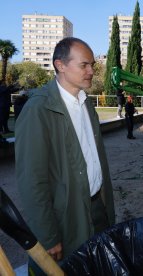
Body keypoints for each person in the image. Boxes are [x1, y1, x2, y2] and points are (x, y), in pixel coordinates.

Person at [15, 37, 115, 274]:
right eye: (84, 65)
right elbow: (32, 182)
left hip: (96, 210)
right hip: (65, 218)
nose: (91, 70)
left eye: (92, 64)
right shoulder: (38, 109)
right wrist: (47, 236)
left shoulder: (86, 104)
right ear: (60, 65)